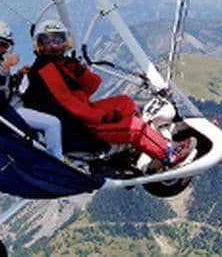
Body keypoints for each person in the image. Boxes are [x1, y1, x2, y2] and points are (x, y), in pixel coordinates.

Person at [22, 19, 195, 168]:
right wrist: (101, 118)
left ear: (65, 42)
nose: (53, 45)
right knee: (135, 128)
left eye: (58, 39)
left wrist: (79, 70)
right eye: (46, 41)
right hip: (78, 126)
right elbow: (68, 104)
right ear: (39, 45)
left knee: (124, 102)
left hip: (80, 115)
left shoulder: (60, 64)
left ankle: (133, 149)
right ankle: (168, 155)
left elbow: (92, 86)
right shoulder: (46, 69)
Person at [0, 19, 64, 160]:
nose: (0, 48)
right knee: (52, 124)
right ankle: (58, 162)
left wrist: (18, 75)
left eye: (4, 44)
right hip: (11, 110)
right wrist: (6, 67)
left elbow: (2, 85)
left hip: (13, 105)